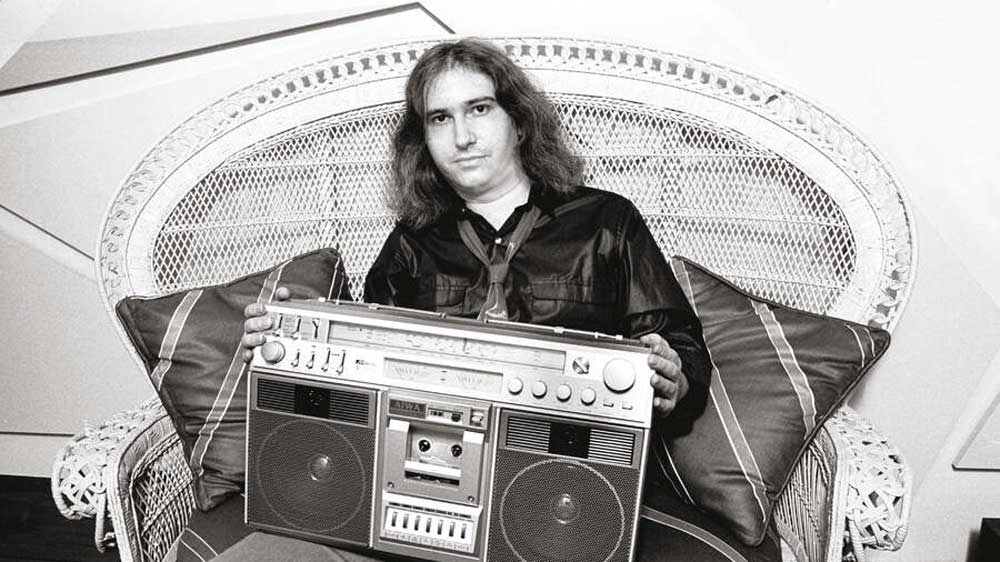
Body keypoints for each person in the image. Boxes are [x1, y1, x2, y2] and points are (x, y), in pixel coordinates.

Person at [243, 38, 710, 427]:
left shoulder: (607, 221)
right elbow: (363, 384)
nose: (461, 137)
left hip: (569, 481)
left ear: (520, 122)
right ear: (423, 139)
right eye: (440, 118)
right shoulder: (411, 242)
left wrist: (676, 378)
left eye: (479, 109)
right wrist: (289, 351)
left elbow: (679, 344)